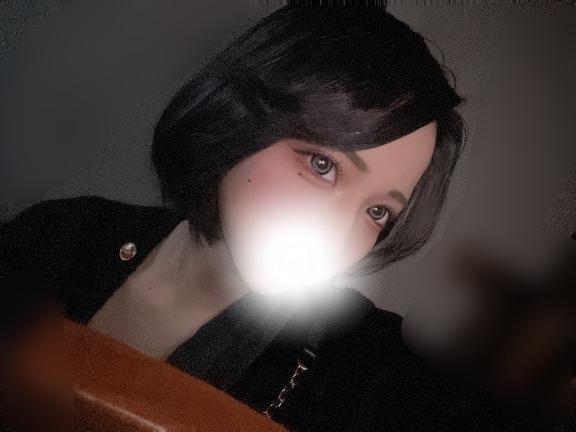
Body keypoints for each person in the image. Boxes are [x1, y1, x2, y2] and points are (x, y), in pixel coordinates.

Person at [0, 4, 527, 431]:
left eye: (377, 211)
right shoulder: (64, 236)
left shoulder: (359, 365)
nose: (338, 235)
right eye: (322, 165)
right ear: (240, 120)